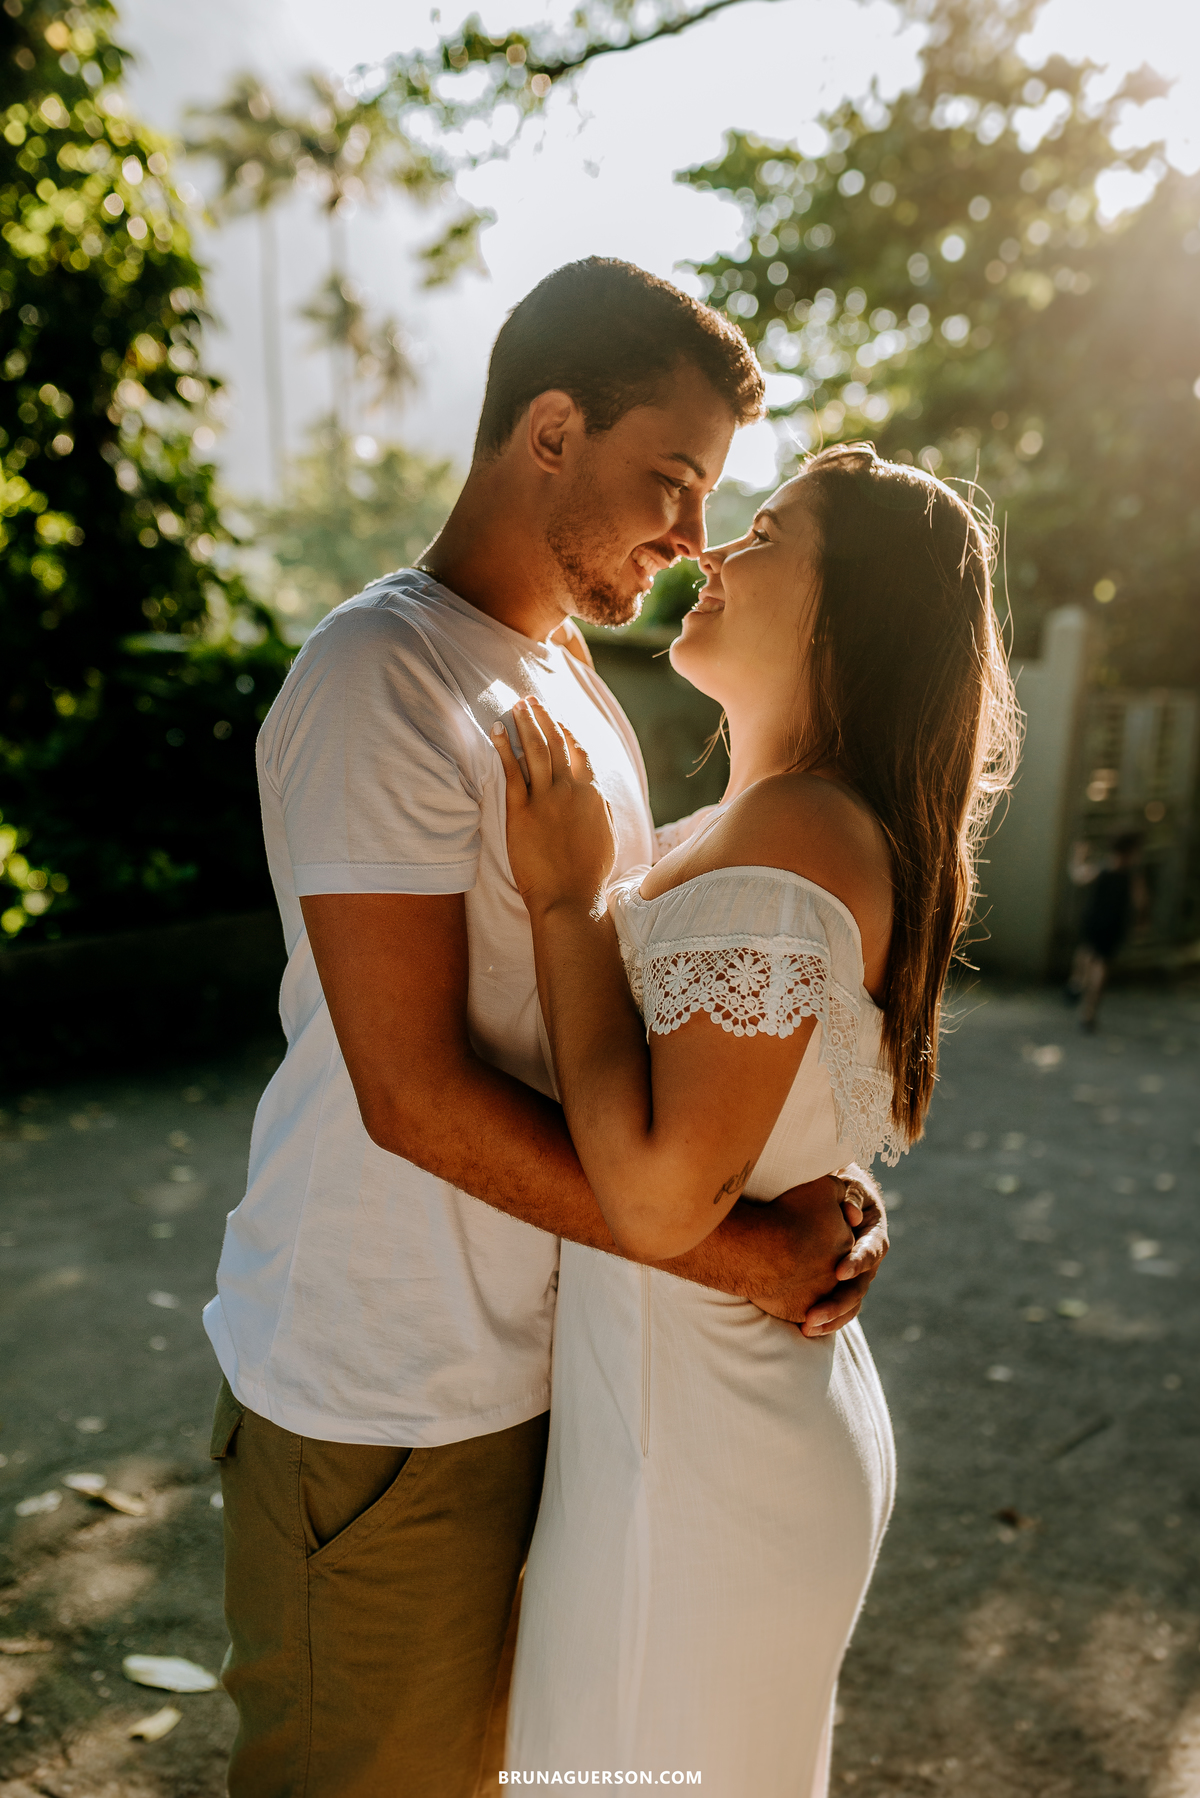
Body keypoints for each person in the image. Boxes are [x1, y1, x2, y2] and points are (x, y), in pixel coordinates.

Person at [202, 260, 891, 1798]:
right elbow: (415, 1097)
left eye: (711, 496)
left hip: (547, 1381)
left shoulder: (572, 679)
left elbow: (640, 1006)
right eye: (670, 477)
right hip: (380, 1390)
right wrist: (743, 1254)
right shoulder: (382, 674)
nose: (690, 535)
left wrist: (797, 1163)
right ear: (554, 428)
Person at [495, 443, 1018, 1792]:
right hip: (718, 1428)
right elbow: (770, 1111)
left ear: (848, 612)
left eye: (770, 533)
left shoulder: (795, 830)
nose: (713, 552)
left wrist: (564, 906)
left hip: (698, 1467)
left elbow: (664, 1199)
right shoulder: (787, 820)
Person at [1065, 831, 1148, 1031]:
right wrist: (1140, 922)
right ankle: (1089, 1012)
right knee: (1101, 965)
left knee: (1086, 952)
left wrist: (1078, 856)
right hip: (1114, 925)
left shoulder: (1102, 869)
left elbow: (1078, 876)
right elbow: (1141, 901)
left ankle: (1077, 983)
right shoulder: (1131, 876)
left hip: (1094, 920)